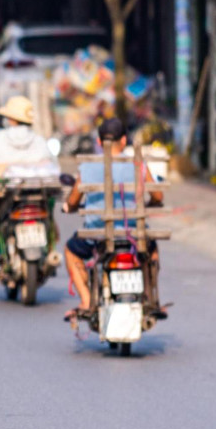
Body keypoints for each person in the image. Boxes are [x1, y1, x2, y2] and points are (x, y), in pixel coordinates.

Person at [61, 117, 165, 323]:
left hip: (97, 236)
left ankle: (86, 300)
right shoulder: (137, 165)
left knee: (71, 250)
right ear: (124, 140)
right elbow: (158, 197)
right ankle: (151, 297)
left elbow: (73, 201)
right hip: (133, 234)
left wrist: (68, 207)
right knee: (151, 250)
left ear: (99, 142)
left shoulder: (88, 166)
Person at [0, 95, 57, 275]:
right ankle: (51, 253)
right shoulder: (39, 139)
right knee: (50, 218)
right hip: (37, 192)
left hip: (5, 192)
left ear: (10, 119)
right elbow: (54, 167)